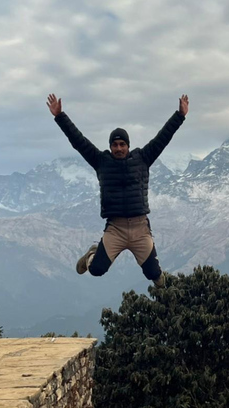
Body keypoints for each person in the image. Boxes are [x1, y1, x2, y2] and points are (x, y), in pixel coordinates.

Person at [46, 92, 189, 287]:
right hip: (116, 229)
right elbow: (78, 141)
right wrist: (59, 116)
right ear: (110, 147)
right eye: (115, 145)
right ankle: (92, 254)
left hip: (140, 228)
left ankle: (166, 295)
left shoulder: (143, 158)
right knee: (96, 270)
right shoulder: (101, 161)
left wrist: (180, 115)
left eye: (122, 144)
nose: (119, 148)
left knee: (155, 275)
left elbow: (163, 138)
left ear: (128, 146)